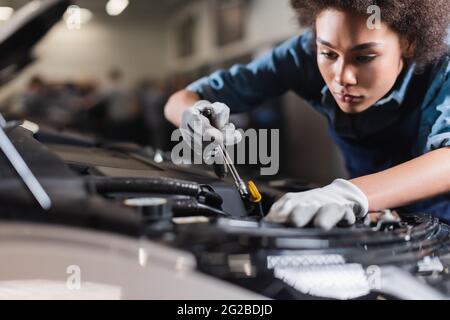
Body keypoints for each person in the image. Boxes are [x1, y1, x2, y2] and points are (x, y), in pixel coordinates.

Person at [164, 0, 450, 229]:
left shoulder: (443, 65)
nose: (342, 76)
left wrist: (347, 194)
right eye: (328, 53)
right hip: (375, 218)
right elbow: (180, 99)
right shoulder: (301, 54)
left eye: (363, 57)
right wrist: (194, 115)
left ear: (409, 42)